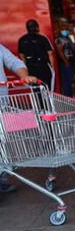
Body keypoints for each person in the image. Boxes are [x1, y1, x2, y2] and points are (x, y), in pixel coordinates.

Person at [0, 44, 37, 195]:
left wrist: (24, 76)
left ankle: (1, 178)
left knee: (2, 140)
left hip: (1, 103)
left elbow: (15, 63)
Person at [18, 19, 55, 91]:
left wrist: (26, 65)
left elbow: (21, 55)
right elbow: (50, 54)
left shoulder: (22, 39)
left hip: (31, 68)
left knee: (35, 89)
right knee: (47, 88)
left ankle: (38, 102)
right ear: (37, 27)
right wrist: (52, 67)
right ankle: (47, 102)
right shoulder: (43, 38)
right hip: (44, 67)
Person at [55, 23, 75, 97]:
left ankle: (70, 95)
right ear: (60, 30)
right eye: (63, 29)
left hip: (71, 60)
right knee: (66, 80)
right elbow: (59, 51)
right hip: (65, 62)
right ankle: (67, 96)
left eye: (66, 29)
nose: (65, 30)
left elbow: (74, 45)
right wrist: (65, 61)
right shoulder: (59, 39)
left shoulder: (68, 38)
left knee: (70, 79)